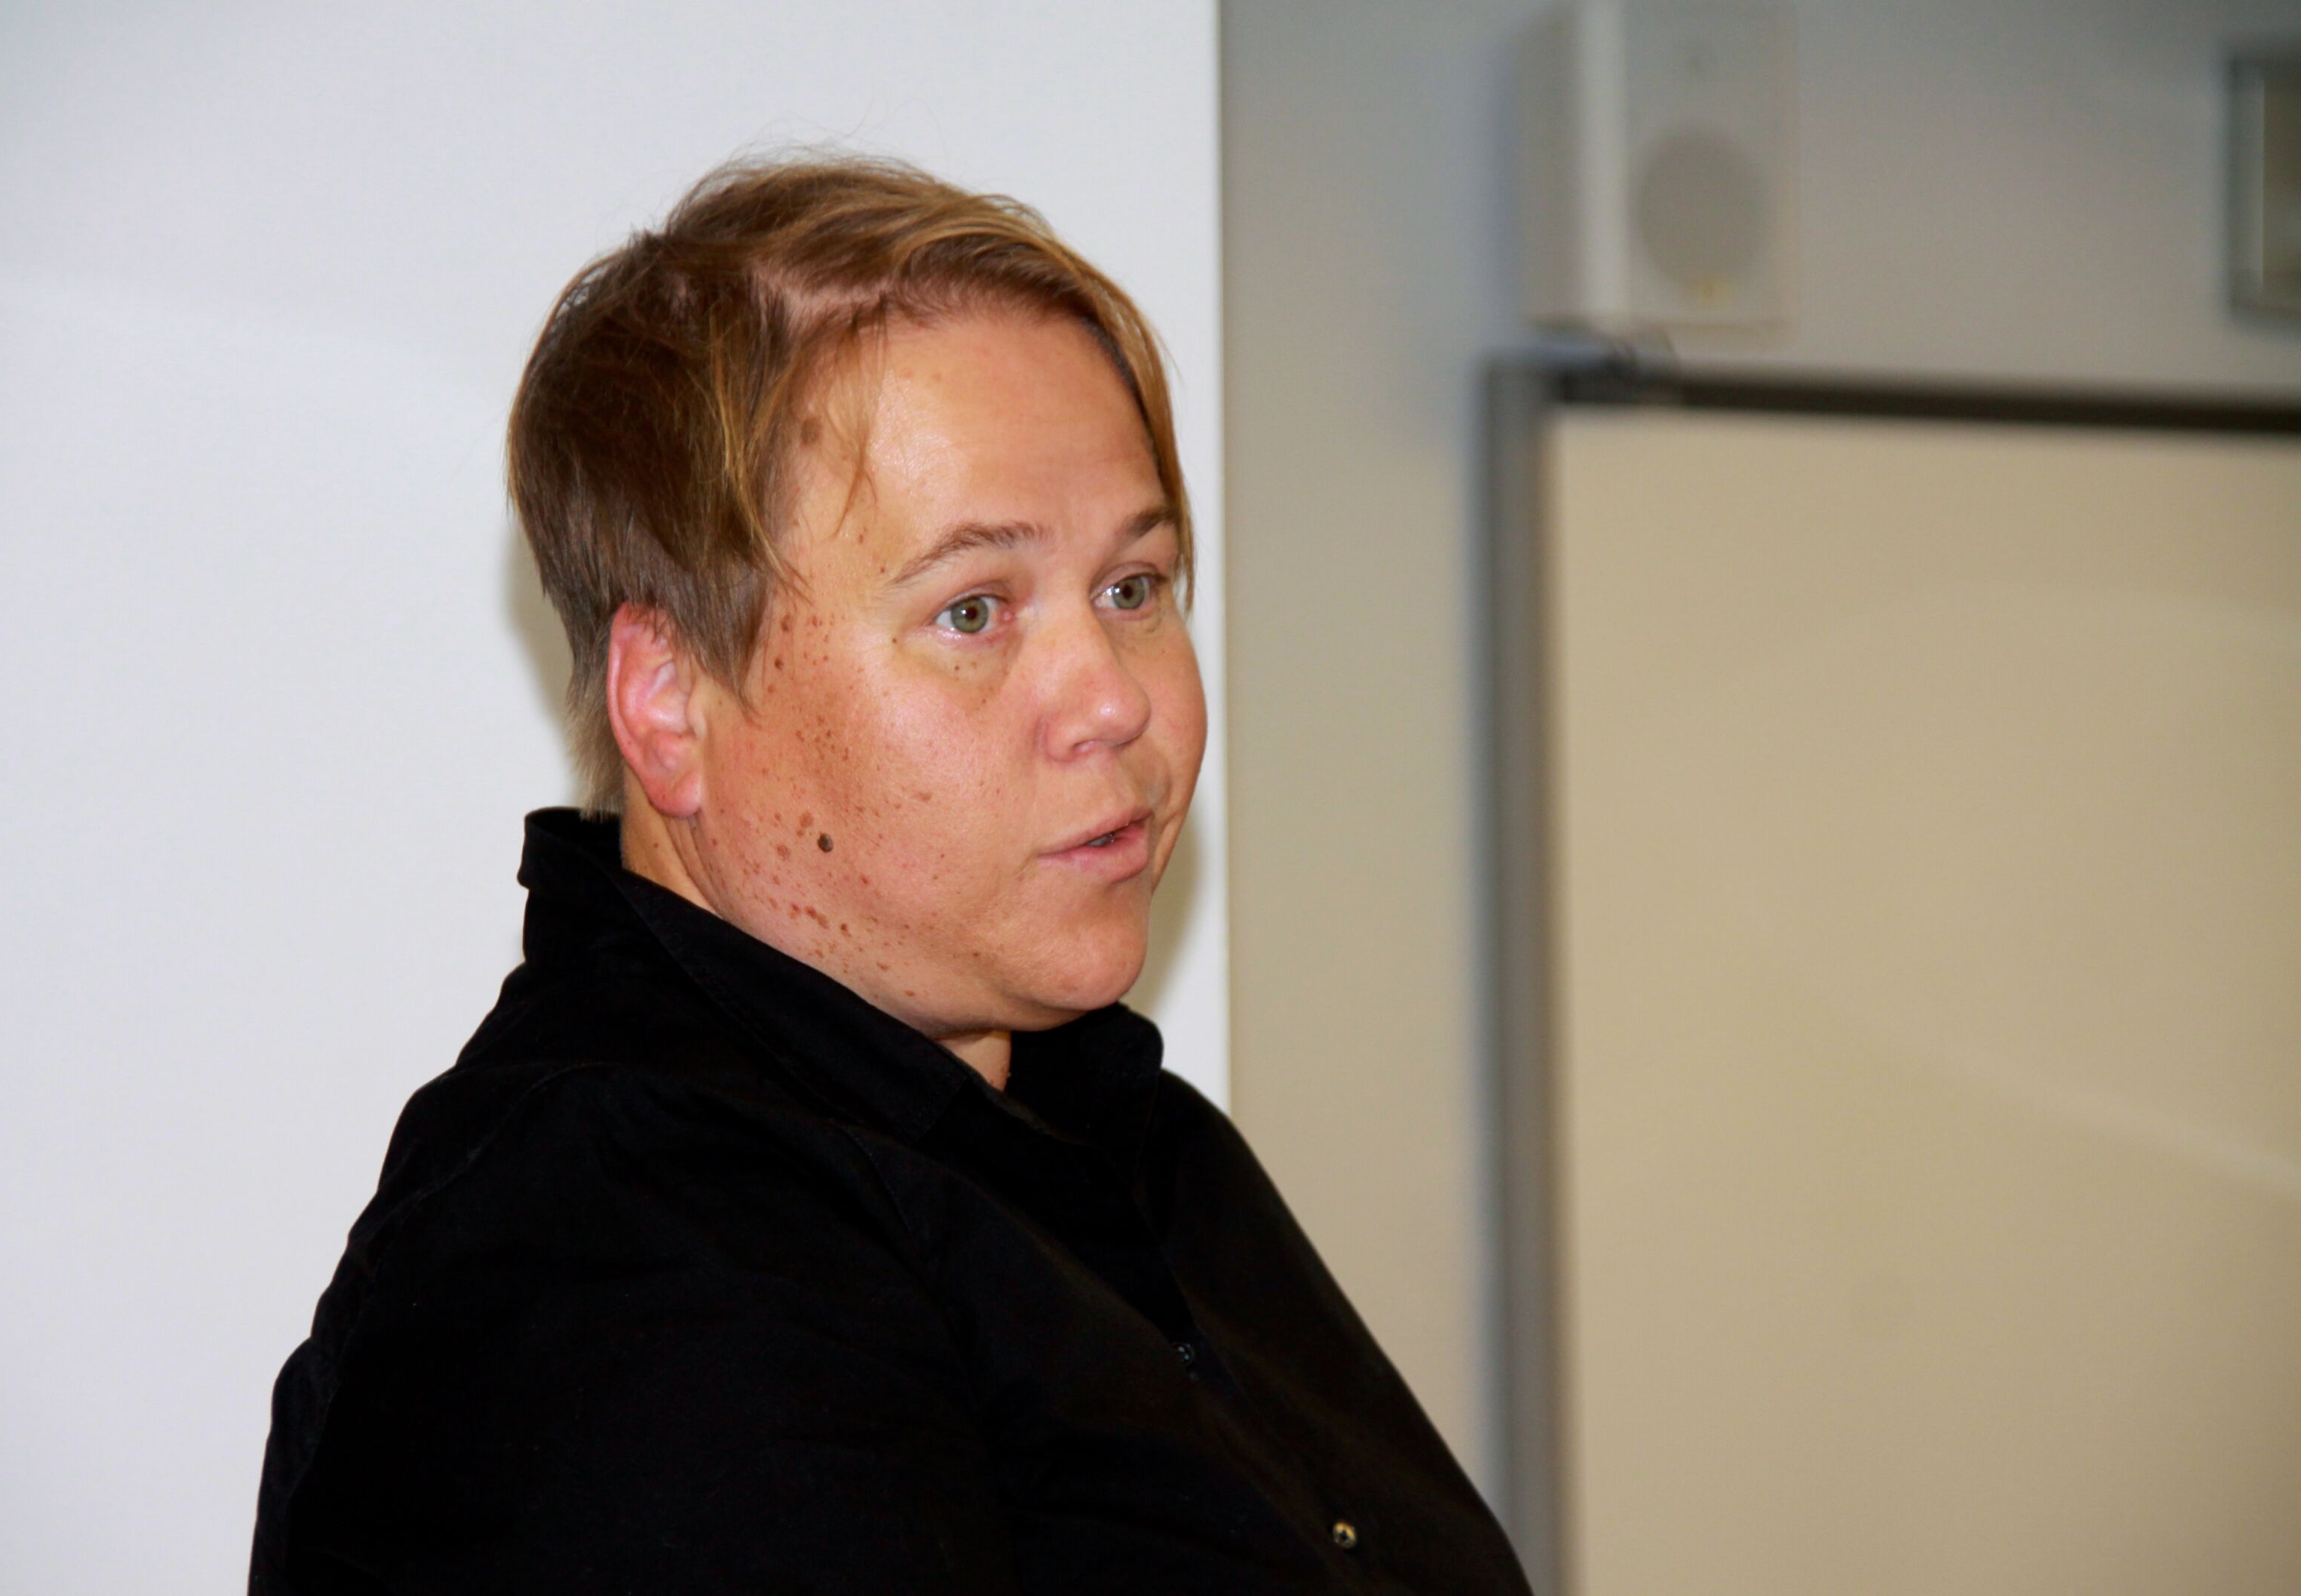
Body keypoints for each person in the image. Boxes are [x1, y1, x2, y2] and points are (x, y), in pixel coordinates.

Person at [249, 153, 1530, 1595]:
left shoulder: (1121, 1137)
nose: (1115, 698)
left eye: (1134, 587)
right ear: (669, 703)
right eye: (974, 610)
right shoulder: (621, 1242)